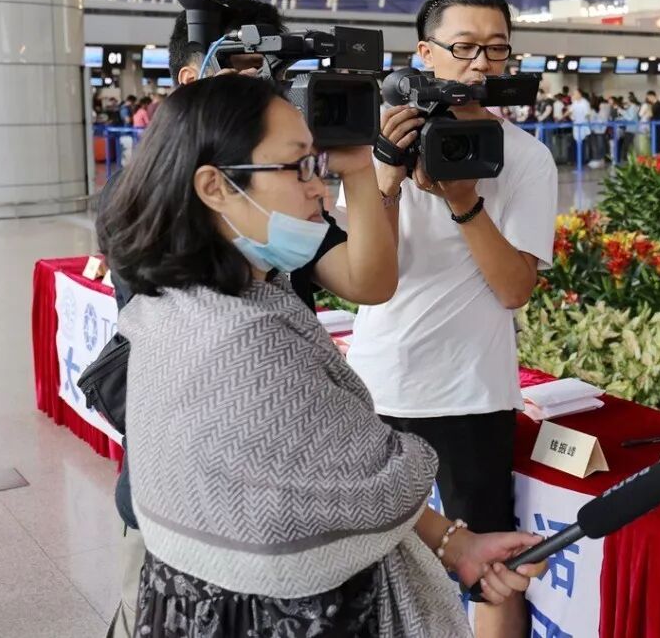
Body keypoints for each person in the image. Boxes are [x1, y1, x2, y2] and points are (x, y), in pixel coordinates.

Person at [98, 74, 544, 637]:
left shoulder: (173, 304)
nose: (319, 191)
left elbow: (371, 281)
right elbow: (384, 481)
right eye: (298, 167)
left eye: (318, 165)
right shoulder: (249, 342)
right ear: (214, 186)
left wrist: (455, 544)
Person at [101, 0, 401, 638]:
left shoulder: (274, 201)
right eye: (245, 71)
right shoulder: (161, 208)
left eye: (276, 76)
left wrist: (353, 170)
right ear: (193, 81)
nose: (268, 90)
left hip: (284, 535)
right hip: (185, 510)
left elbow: (368, 281)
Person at [343, 0, 557, 638]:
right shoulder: (378, 142)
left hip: (473, 389)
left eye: (496, 48)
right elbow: (365, 278)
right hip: (378, 380)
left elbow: (515, 289)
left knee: (492, 564)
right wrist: (384, 177)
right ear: (424, 53)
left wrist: (465, 202)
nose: (480, 63)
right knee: (367, 554)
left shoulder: (526, 156)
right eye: (464, 47)